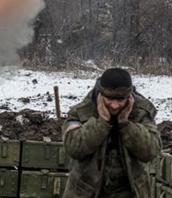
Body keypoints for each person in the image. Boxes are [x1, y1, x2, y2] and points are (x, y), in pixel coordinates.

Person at [62, 68, 161, 198]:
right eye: (110, 99)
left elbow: (152, 150)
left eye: (120, 99)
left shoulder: (140, 112)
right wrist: (101, 123)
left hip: (131, 191)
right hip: (85, 191)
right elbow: (73, 147)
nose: (115, 105)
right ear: (100, 94)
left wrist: (126, 125)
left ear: (129, 97)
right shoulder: (81, 111)